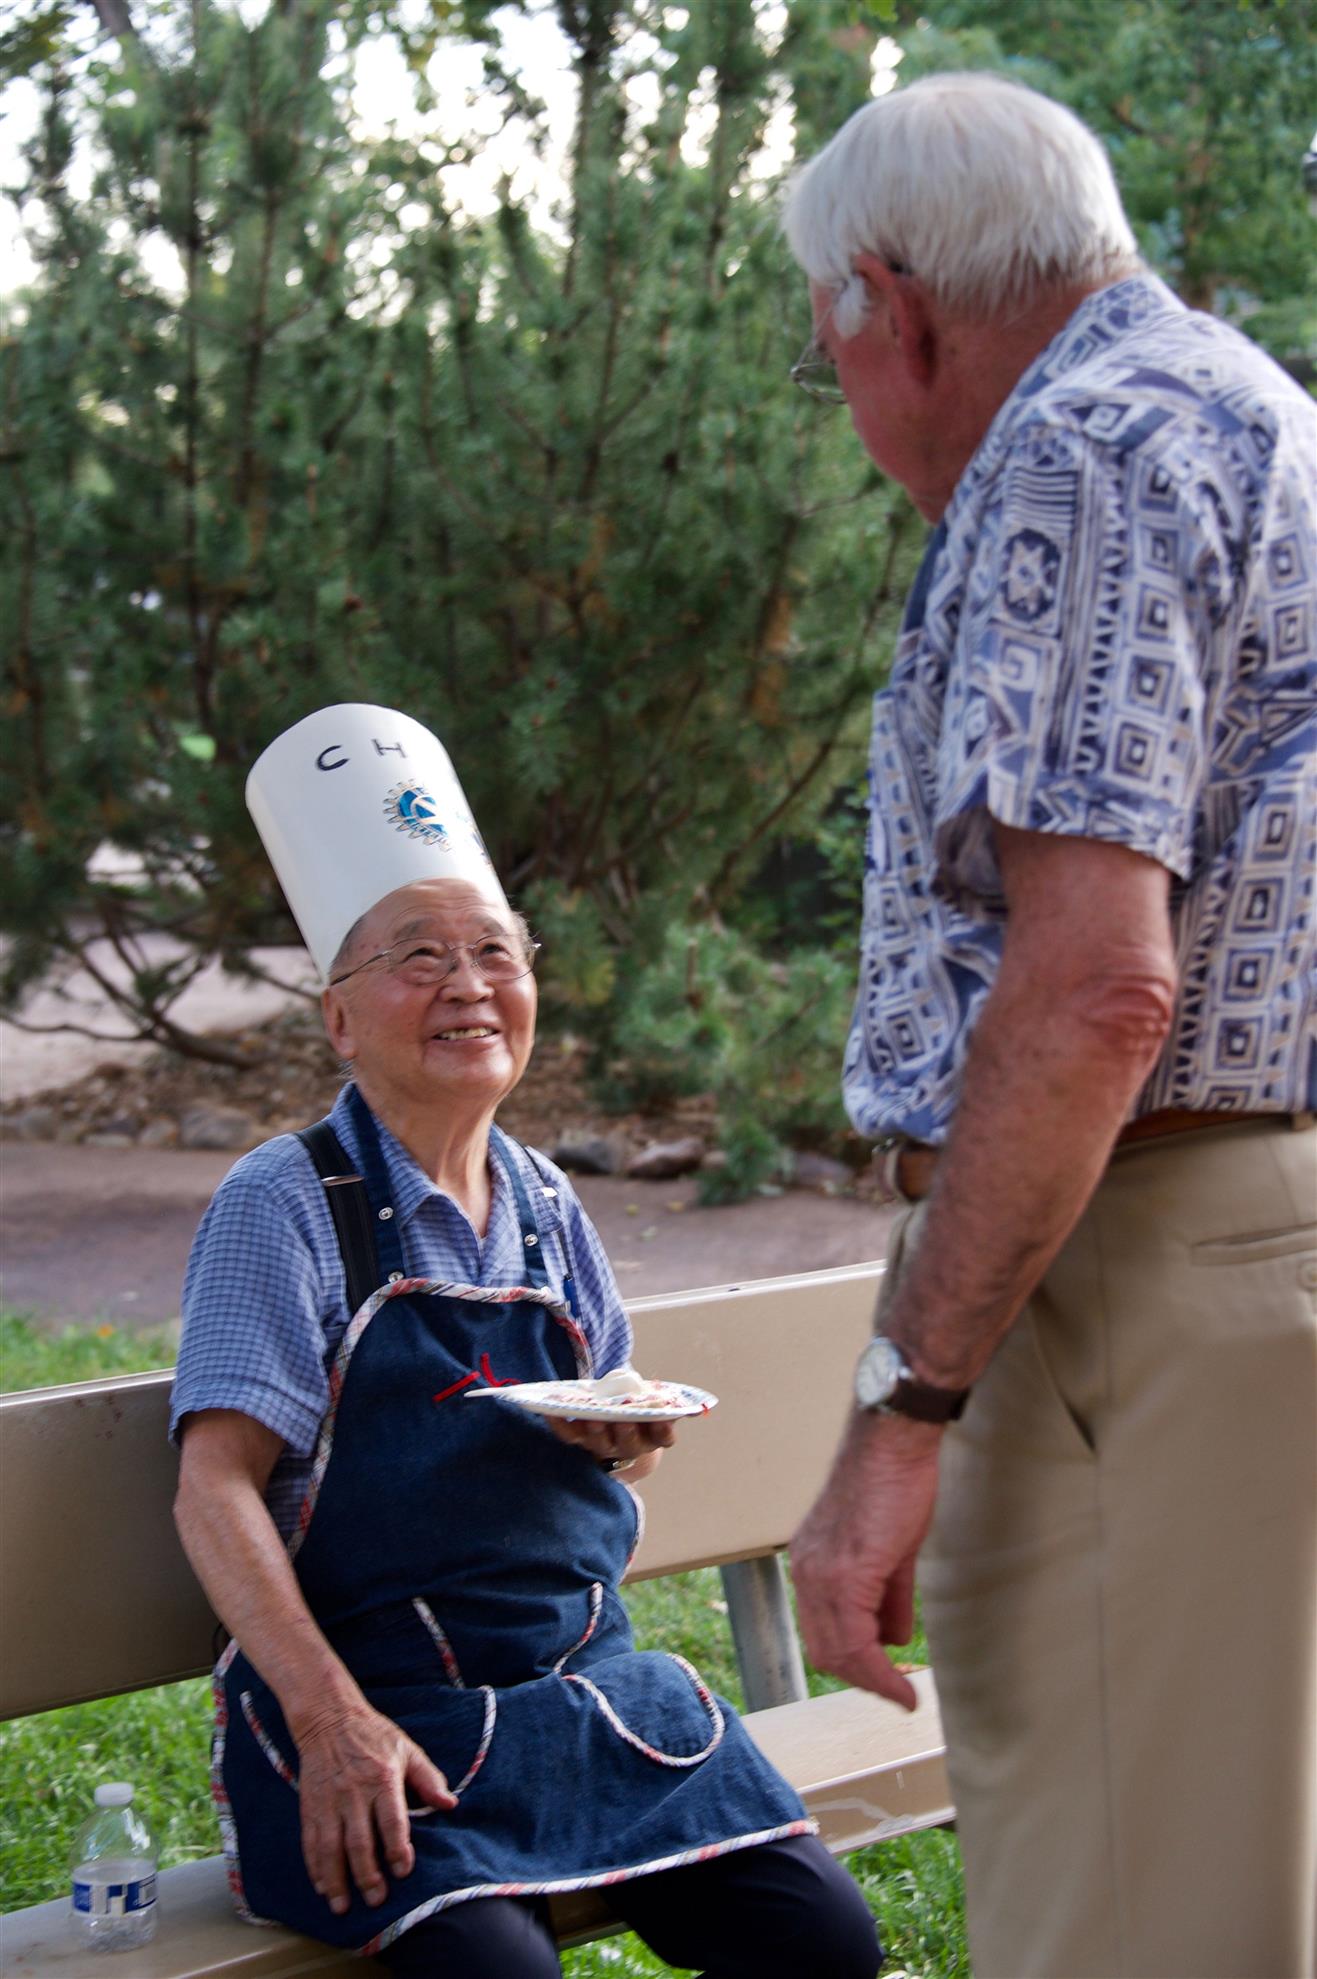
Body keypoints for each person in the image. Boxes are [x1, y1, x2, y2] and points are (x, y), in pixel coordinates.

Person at [781, 72, 1317, 1979]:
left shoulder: (1077, 451)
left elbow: (1098, 983)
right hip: (1250, 1244)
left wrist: (899, 1410)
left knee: (1127, 1919)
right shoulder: (1257, 411)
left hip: (1128, 1269)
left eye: (827, 354)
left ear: (888, 305)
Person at [170, 703, 880, 1979]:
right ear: (340, 1020)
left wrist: (622, 1436)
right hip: (379, 1710)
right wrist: (330, 1721)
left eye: (495, 951)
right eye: (420, 956)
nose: (469, 984)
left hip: (581, 1690)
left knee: (824, 1939)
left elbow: (622, 1447)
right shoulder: (284, 1201)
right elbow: (214, 1484)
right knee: (501, 1972)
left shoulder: (547, 1200)